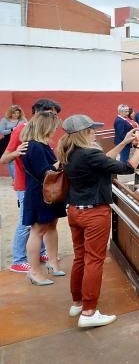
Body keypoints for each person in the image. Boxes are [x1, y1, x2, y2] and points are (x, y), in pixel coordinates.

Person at [59, 114, 139, 328]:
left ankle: (78, 303)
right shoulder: (89, 154)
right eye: (92, 129)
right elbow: (129, 167)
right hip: (94, 213)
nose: (95, 131)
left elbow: (104, 160)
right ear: (85, 133)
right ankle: (89, 312)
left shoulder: (70, 152)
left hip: (75, 211)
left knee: (81, 258)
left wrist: (125, 142)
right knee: (94, 260)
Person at [0, 98, 61, 273]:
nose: (55, 119)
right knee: (27, 223)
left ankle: (41, 252)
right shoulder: (22, 129)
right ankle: (19, 259)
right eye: (52, 115)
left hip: (41, 183)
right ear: (40, 114)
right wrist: (17, 153)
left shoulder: (40, 133)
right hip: (27, 184)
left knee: (43, 223)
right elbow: (4, 158)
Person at [20, 111, 66, 285]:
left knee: (52, 225)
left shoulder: (41, 144)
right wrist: (62, 160)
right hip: (40, 193)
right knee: (38, 230)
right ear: (45, 126)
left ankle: (52, 263)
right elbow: (45, 172)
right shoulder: (35, 146)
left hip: (49, 192)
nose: (55, 130)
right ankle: (34, 271)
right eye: (53, 126)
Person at [0, 105, 26, 178]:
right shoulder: (4, 120)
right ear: (10, 113)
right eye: (14, 113)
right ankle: (15, 179)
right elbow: (2, 131)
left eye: (18, 113)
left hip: (19, 140)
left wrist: (23, 117)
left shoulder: (21, 120)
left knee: (20, 158)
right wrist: (12, 129)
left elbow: (28, 126)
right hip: (7, 140)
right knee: (11, 161)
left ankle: (20, 177)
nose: (16, 115)